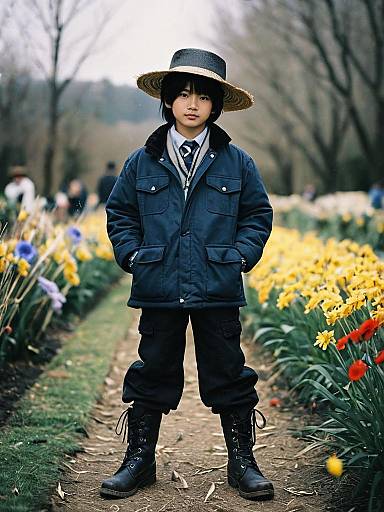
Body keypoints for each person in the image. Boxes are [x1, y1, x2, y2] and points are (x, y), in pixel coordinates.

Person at [102, 48, 274, 501]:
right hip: (158, 283)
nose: (192, 103)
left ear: (216, 104)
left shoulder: (237, 162)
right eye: (183, 94)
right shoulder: (142, 161)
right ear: (168, 101)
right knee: (152, 370)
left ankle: (243, 463)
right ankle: (138, 461)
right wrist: (133, 255)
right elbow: (120, 213)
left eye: (202, 95)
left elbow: (257, 214)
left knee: (229, 372)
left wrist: (239, 254)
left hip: (218, 285)